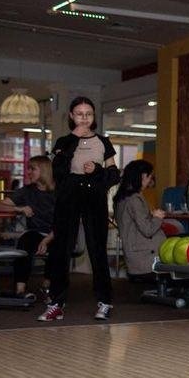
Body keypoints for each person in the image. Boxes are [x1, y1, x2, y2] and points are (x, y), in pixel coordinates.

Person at [38, 96, 121, 322]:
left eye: (88, 114)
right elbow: (58, 172)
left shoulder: (103, 142)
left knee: (97, 249)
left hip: (94, 196)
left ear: (93, 117)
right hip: (68, 197)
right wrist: (73, 139)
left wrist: (96, 170)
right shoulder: (63, 142)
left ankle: (104, 301)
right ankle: (56, 303)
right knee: (61, 250)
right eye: (80, 114)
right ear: (72, 116)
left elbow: (114, 175)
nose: (84, 118)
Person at [0, 155, 55, 300]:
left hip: (56, 233)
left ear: (44, 171)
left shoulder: (59, 192)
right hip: (35, 233)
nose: (28, 172)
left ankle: (47, 285)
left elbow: (65, 222)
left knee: (60, 245)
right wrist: (19, 208)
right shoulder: (27, 191)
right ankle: (20, 290)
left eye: (32, 169)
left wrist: (47, 240)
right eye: (28, 169)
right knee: (26, 239)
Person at [112, 160, 167, 279]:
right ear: (143, 176)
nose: (150, 181)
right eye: (150, 177)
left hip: (135, 258)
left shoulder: (122, 198)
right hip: (146, 261)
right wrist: (157, 217)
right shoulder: (134, 199)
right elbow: (148, 230)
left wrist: (150, 215)